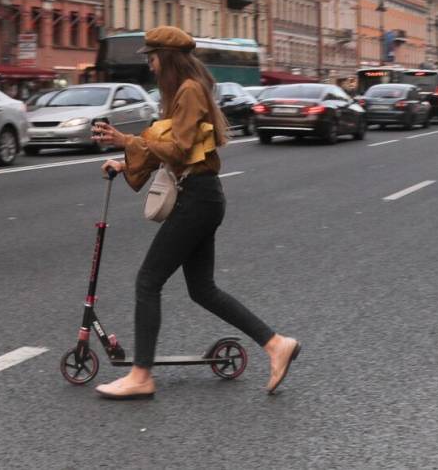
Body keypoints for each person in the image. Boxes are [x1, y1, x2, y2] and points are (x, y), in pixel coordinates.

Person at [91, 26, 300, 400]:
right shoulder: (186, 92)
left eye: (152, 58)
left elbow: (180, 149)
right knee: (202, 289)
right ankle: (275, 344)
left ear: (167, 59)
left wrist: (126, 141)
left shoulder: (189, 91)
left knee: (148, 281)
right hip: (202, 196)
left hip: (196, 198)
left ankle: (141, 376)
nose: (150, 66)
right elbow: (174, 146)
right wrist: (126, 162)